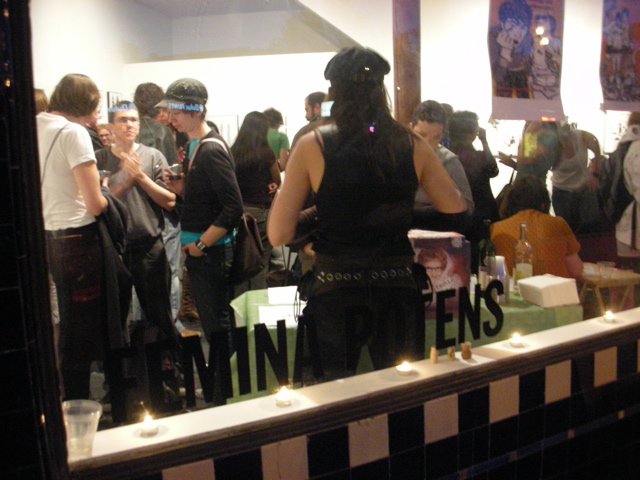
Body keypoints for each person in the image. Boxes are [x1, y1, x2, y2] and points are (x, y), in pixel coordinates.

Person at [268, 47, 466, 383]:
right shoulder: (412, 143)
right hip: (397, 289)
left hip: (335, 290)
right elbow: (454, 206)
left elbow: (278, 234)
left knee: (329, 397)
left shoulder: (313, 144)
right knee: (402, 393)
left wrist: (322, 211)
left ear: (333, 92)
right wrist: (400, 210)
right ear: (381, 90)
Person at [161, 78, 243, 402]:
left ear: (196, 110)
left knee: (217, 325)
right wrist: (182, 188)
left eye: (177, 111)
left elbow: (232, 207)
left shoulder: (209, 149)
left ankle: (223, 393)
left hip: (211, 252)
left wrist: (202, 245)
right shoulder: (197, 145)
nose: (172, 118)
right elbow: (208, 200)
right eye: (170, 111)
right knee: (214, 324)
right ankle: (222, 388)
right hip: (203, 251)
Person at [38, 73, 109, 400]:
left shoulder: (34, 125)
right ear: (85, 104)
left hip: (44, 235)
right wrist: (107, 194)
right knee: (79, 326)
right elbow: (94, 204)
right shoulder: (73, 132)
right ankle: (77, 401)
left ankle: (59, 398)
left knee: (59, 320)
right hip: (76, 239)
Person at [96, 101, 177, 345]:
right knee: (115, 317)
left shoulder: (153, 156)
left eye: (134, 120)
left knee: (159, 313)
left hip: (149, 245)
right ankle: (121, 366)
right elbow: (98, 204)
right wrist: (126, 182)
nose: (129, 125)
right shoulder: (99, 159)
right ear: (111, 126)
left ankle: (167, 361)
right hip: (113, 248)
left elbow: (170, 201)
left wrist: (140, 176)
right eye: (123, 120)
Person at [491, 174, 583, 279]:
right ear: (543, 204)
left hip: (512, 288)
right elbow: (576, 269)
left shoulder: (496, 228)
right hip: (554, 288)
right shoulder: (558, 224)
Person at [231, 111, 281, 294]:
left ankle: (239, 305)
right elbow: (278, 180)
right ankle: (258, 305)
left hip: (238, 212)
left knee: (241, 261)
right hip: (260, 212)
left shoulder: (233, 152)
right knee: (260, 261)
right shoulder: (267, 153)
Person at [410, 100, 474, 234]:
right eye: (421, 135)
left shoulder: (449, 161)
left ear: (443, 135)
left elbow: (467, 210)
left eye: (436, 137)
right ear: (411, 128)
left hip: (436, 233)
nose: (427, 142)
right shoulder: (398, 156)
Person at [448, 110, 500, 272]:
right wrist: (484, 142)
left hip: (456, 212)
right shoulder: (478, 156)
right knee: (480, 258)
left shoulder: (446, 156)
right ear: (471, 134)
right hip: (482, 212)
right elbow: (493, 171)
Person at [550, 125, 603, 233]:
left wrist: (595, 174)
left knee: (588, 229)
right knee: (566, 230)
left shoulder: (580, 136)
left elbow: (595, 143)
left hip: (583, 190)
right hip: (561, 193)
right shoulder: (550, 144)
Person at [488, 0, 534, 98]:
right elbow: (498, 76)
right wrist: (505, 53)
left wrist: (529, 75)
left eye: (523, 27)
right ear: (502, 24)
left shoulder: (528, 38)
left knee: (524, 99)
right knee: (503, 98)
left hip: (520, 73)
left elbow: (528, 58)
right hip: (504, 76)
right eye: (512, 25)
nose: (518, 33)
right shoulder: (492, 37)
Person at [615, 112, 640, 272]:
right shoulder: (637, 148)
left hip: (628, 224)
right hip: (634, 227)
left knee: (629, 275)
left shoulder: (628, 144)